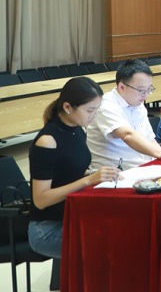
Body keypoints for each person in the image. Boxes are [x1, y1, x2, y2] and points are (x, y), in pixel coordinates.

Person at [29, 77, 119, 258]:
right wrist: (88, 180)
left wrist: (97, 174)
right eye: (90, 110)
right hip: (47, 229)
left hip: (73, 214)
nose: (93, 116)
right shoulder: (48, 141)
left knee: (122, 224)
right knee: (113, 240)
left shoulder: (77, 130)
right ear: (68, 107)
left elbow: (68, 170)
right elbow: (40, 199)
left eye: (97, 110)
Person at [87, 59, 161, 170]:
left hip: (143, 167)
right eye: (141, 90)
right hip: (116, 173)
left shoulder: (137, 104)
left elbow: (150, 139)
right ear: (122, 87)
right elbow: (128, 136)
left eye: (149, 89)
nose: (145, 96)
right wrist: (160, 153)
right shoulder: (106, 105)